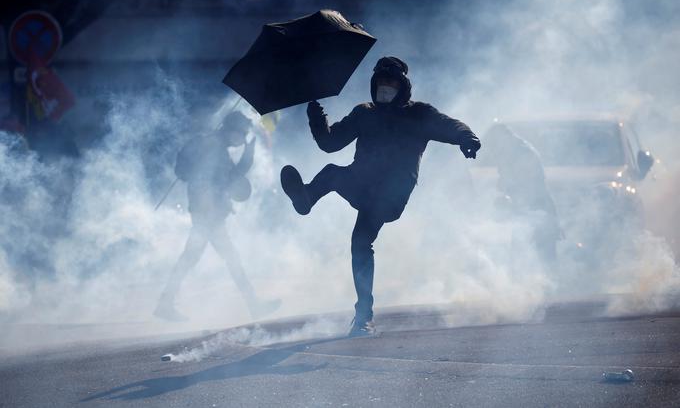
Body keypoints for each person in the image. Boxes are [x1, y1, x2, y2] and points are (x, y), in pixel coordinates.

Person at [280, 56, 481, 337]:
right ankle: (305, 200)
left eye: (391, 83)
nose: (385, 88)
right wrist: (316, 115)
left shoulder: (419, 114)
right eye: (381, 83)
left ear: (403, 87)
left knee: (361, 242)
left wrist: (467, 138)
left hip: (391, 194)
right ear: (373, 85)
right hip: (361, 183)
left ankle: (364, 316)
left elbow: (451, 125)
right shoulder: (364, 113)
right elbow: (329, 143)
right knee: (331, 173)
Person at [155, 111, 280, 321]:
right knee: (228, 258)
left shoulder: (216, 148)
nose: (242, 139)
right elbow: (215, 180)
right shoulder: (213, 148)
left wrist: (248, 152)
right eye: (241, 134)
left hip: (207, 211)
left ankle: (165, 303)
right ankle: (253, 304)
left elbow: (231, 176)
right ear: (231, 130)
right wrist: (212, 205)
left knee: (193, 257)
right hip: (207, 212)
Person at [485, 124, 561, 265]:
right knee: (520, 260)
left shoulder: (523, 153)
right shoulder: (511, 152)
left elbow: (528, 186)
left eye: (495, 144)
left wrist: (507, 190)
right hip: (525, 213)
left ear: (503, 138)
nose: (495, 149)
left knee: (543, 261)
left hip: (537, 212)